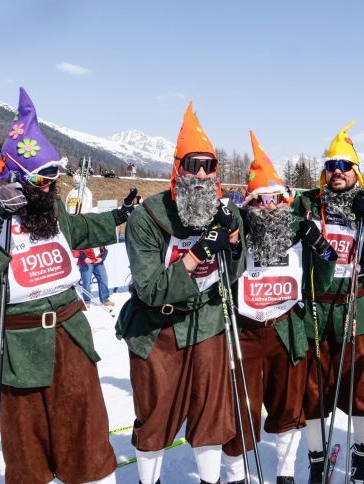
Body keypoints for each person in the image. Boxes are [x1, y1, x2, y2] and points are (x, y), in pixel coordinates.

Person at [0, 87, 135, 483]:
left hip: (70, 337)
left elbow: (80, 228)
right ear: (14, 176)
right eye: (41, 179)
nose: (50, 188)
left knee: (87, 443)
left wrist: (120, 213)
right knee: (28, 454)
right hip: (18, 351)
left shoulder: (47, 211)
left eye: (54, 179)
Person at [116, 102, 243, 484]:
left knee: (211, 413)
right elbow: (150, 287)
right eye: (192, 164)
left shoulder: (225, 212)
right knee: (155, 416)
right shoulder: (148, 217)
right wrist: (196, 255)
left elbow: (231, 275)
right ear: (178, 168)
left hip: (206, 321)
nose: (201, 173)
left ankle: (211, 479)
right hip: (157, 327)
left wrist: (233, 244)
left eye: (208, 165)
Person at [221, 131, 338, 484]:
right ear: (249, 205)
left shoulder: (299, 229)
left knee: (288, 407)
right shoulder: (238, 232)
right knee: (241, 410)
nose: (271, 207)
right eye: (262, 201)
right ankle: (236, 475)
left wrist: (324, 249)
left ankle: (285, 475)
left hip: (286, 328)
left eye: (277, 199)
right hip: (246, 330)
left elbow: (326, 276)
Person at [300, 121, 364, 483]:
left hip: (352, 303)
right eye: (330, 166)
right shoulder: (308, 203)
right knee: (311, 387)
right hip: (313, 306)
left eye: (343, 166)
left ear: (355, 172)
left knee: (357, 382)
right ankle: (315, 456)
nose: (336, 172)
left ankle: (362, 452)